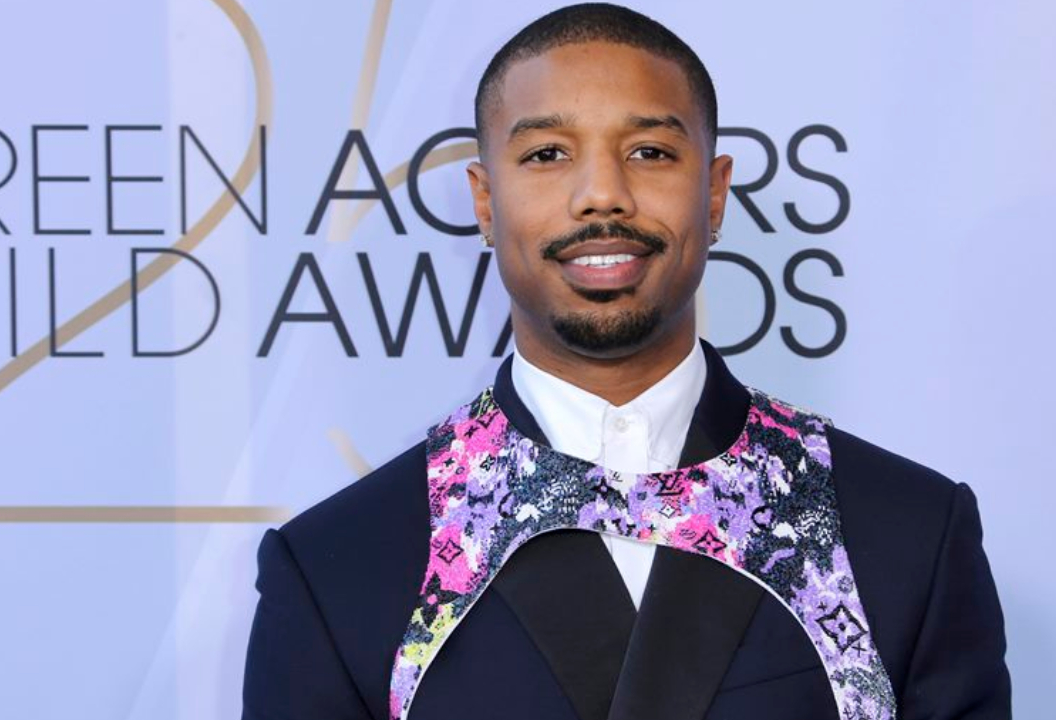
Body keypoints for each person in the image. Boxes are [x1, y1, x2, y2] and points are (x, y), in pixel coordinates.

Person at [241, 4, 1011, 719]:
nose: (602, 195)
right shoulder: (337, 571)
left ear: (714, 193)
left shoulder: (908, 533)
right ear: (484, 201)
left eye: (650, 151)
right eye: (547, 154)